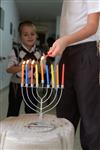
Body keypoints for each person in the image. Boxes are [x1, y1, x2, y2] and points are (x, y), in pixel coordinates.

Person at [48, 1, 100, 150]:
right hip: (67, 54)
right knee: (64, 115)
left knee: (91, 118)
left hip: (87, 51)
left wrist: (65, 40)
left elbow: (92, 26)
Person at [6, 21, 43, 117]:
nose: (30, 37)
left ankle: (29, 130)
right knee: (13, 110)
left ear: (36, 36)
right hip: (17, 85)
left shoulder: (39, 52)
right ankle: (11, 129)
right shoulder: (16, 51)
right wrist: (22, 67)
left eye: (32, 34)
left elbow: (42, 71)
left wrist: (38, 67)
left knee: (31, 111)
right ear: (20, 37)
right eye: (25, 34)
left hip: (32, 85)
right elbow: (9, 69)